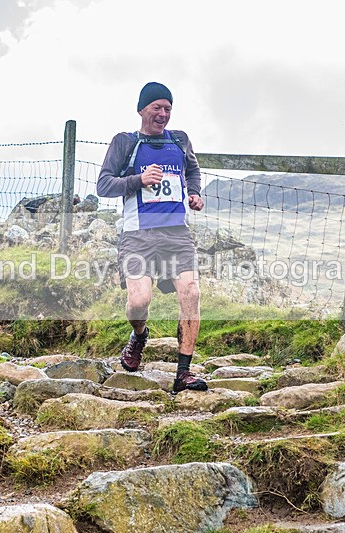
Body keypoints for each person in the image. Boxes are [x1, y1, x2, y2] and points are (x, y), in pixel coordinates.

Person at [97, 82, 207, 393]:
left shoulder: (180, 140)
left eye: (168, 109)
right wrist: (139, 180)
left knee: (191, 293)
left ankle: (183, 373)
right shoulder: (125, 143)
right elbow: (104, 185)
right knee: (139, 301)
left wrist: (195, 193)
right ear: (142, 109)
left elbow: (193, 171)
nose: (163, 114)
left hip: (176, 233)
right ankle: (140, 334)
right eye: (157, 107)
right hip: (138, 235)